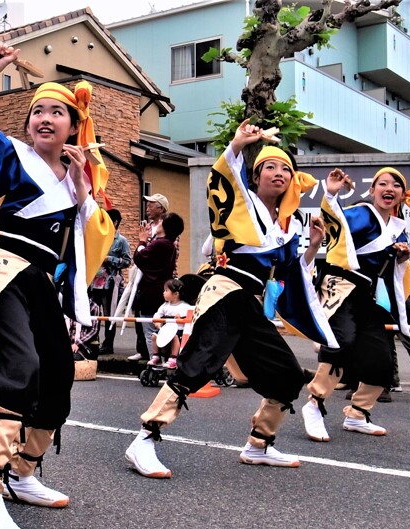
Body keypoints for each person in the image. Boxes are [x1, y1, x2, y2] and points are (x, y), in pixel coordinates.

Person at [0, 40, 113, 529]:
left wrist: (83, 194)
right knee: (17, 368)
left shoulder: (77, 179)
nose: (45, 118)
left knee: (58, 379)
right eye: (38, 110)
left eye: (57, 112)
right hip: (3, 268)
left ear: (73, 127)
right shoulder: (11, 154)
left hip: (41, 280)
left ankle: (22, 471)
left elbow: (92, 240)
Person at [125, 120, 334, 479]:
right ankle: (144, 438)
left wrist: (313, 245)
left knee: (286, 374)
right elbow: (223, 181)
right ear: (254, 177)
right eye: (270, 166)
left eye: (286, 168)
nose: (279, 173)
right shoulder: (243, 204)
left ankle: (259, 443)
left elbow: (290, 271)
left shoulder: (291, 223)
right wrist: (238, 144)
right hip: (224, 291)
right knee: (199, 362)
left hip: (250, 302)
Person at [300, 167, 410, 441]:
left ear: (402, 195)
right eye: (383, 184)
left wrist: (400, 258)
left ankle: (358, 413)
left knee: (382, 358)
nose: (389, 189)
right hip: (341, 285)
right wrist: (331, 194)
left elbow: (389, 268)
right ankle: (314, 404)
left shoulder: (397, 228)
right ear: (373, 189)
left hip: (367, 293)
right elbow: (336, 224)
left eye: (396, 186)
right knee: (340, 342)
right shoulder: (362, 212)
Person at [133, 212, 184, 366]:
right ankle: (167, 360)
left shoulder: (160, 244)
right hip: (161, 292)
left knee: (150, 330)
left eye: (162, 221)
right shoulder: (170, 244)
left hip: (150, 292)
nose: (159, 222)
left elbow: (139, 257)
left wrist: (142, 241)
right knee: (163, 329)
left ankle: (154, 361)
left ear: (166, 226)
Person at [91, 208, 131, 355]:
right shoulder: (99, 237)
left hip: (110, 283)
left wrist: (109, 259)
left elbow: (127, 261)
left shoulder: (121, 241)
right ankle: (93, 341)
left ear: (114, 222)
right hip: (94, 282)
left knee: (109, 315)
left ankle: (108, 345)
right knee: (93, 314)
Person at [150, 278, 193, 369]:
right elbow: (157, 314)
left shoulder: (185, 306)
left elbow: (191, 317)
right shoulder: (165, 306)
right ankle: (156, 356)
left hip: (178, 332)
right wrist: (157, 321)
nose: (163, 293)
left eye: (166, 290)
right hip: (166, 330)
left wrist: (181, 318)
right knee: (154, 336)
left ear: (176, 294)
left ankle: (173, 358)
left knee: (174, 337)